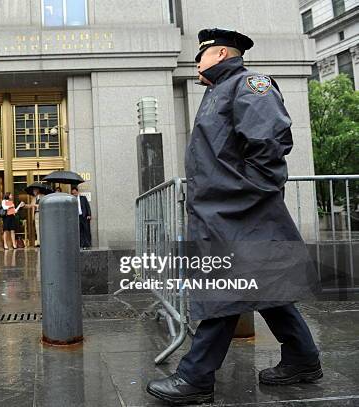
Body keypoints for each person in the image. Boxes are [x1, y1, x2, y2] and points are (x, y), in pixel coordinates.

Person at [146, 28, 321, 405]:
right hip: (226, 210)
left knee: (222, 290)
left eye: (201, 55)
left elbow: (269, 143)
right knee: (263, 285)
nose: (195, 61)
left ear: (222, 53)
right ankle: (304, 359)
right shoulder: (220, 90)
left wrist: (248, 195)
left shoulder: (249, 83)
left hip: (237, 210)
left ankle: (195, 378)